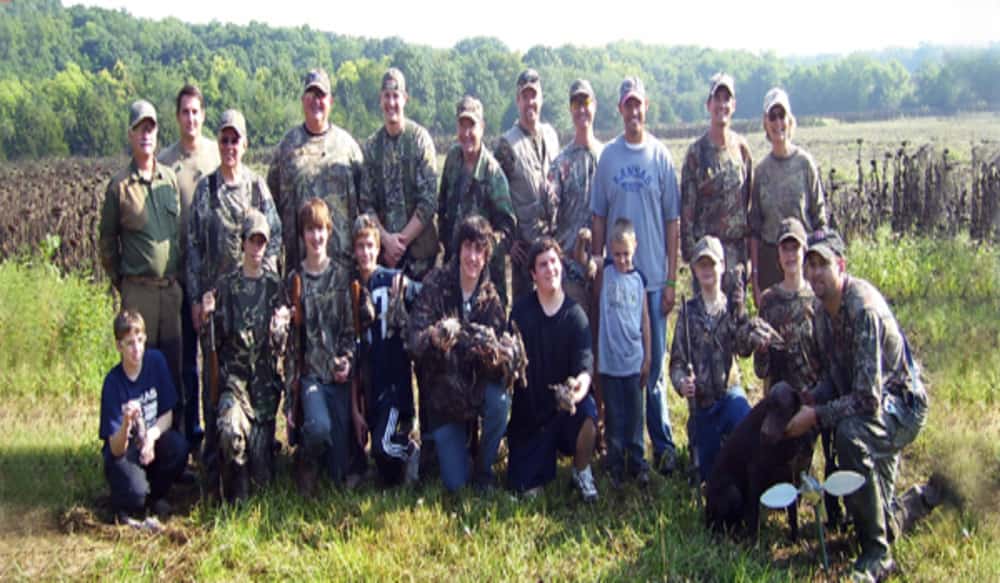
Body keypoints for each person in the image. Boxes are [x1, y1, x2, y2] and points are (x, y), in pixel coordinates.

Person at [785, 229, 934, 581]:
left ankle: (877, 557)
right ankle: (924, 498)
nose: (815, 273)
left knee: (850, 433)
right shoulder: (821, 314)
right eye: (811, 266)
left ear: (841, 265)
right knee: (880, 518)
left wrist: (817, 416)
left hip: (902, 406)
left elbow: (867, 400)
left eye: (823, 264)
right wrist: (811, 398)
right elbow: (835, 379)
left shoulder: (861, 308)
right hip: (872, 405)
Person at [186, 109, 282, 499]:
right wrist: (197, 300)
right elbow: (192, 248)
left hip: (256, 305)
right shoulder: (206, 191)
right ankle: (214, 477)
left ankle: (260, 456)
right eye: (223, 140)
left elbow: (273, 239)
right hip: (217, 310)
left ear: (244, 144)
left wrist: (266, 286)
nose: (229, 147)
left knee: (259, 455)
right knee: (216, 395)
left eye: (235, 140)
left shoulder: (258, 188)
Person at [590, 76, 680, 474]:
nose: (634, 111)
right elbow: (597, 216)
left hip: (653, 279)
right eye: (627, 104)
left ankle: (658, 445)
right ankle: (619, 445)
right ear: (620, 109)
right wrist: (597, 265)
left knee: (652, 368)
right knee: (616, 364)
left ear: (647, 106)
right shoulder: (608, 158)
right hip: (615, 279)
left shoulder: (660, 156)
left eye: (639, 104)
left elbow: (673, 222)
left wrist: (672, 279)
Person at [407, 216, 514, 493]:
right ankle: (452, 448)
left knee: (500, 401)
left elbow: (503, 369)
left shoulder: (492, 299)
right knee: (455, 484)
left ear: (487, 256)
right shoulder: (436, 283)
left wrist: (497, 356)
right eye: (468, 247)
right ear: (458, 249)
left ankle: (484, 470)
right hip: (443, 399)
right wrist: (434, 338)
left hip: (474, 392)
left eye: (480, 250)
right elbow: (412, 340)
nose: (473, 257)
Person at [98, 100, 184, 433]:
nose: (146, 135)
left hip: (169, 293)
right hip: (138, 293)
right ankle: (134, 444)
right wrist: (123, 282)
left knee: (171, 372)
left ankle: (174, 454)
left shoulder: (169, 181)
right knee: (140, 369)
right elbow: (107, 242)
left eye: (151, 128)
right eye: (140, 129)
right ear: (131, 135)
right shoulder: (119, 187)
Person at [200, 210, 286, 503]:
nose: (257, 248)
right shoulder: (226, 285)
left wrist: (282, 328)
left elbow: (284, 346)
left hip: (263, 389)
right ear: (243, 243)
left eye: (262, 241)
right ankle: (233, 490)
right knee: (230, 433)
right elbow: (212, 340)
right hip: (235, 385)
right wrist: (207, 316)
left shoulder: (276, 286)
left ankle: (258, 459)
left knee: (263, 476)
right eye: (252, 240)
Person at [508, 237, 598, 501]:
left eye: (554, 262)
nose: (550, 269)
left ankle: (581, 471)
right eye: (543, 265)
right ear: (533, 274)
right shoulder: (520, 313)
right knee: (528, 494)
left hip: (564, 411)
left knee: (589, 415)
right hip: (530, 417)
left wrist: (578, 389)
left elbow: (585, 366)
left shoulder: (575, 315)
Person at [159, 84, 221, 450]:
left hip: (214, 280)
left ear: (203, 115)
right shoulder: (166, 161)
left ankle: (213, 433)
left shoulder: (216, 154)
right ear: (178, 116)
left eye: (196, 111)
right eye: (185, 112)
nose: (191, 118)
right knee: (183, 363)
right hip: (179, 280)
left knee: (215, 357)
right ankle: (186, 432)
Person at [284, 198, 356, 495]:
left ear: (329, 231)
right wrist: (290, 400)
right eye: (310, 230)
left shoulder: (341, 277)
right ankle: (305, 460)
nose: (316, 237)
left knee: (341, 472)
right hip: (311, 379)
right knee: (318, 430)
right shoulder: (294, 280)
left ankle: (330, 456)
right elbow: (289, 348)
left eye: (321, 229)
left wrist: (347, 361)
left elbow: (351, 333)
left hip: (337, 381)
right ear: (302, 235)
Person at [669, 236, 755, 483]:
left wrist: (741, 315)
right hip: (702, 405)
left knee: (744, 420)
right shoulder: (687, 312)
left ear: (722, 266)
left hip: (729, 397)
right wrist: (681, 383)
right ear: (695, 270)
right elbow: (675, 362)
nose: (707, 270)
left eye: (712, 264)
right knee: (709, 474)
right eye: (701, 265)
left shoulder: (732, 307)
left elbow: (744, 349)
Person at [268, 68, 365, 272]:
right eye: (311, 95)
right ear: (303, 100)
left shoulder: (348, 148)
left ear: (330, 101)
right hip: (300, 270)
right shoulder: (286, 148)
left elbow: (365, 207)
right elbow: (271, 210)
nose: (316, 101)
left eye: (321, 95)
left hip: (343, 270)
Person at [350, 214, 422, 486]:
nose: (366, 252)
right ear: (354, 251)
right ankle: (390, 467)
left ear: (378, 248)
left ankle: (411, 451)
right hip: (370, 389)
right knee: (380, 465)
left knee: (382, 446)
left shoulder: (390, 279)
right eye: (360, 246)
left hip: (393, 389)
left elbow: (422, 292)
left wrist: (407, 287)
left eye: (370, 245)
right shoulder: (353, 290)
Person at [99, 310, 188, 523]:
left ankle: (156, 495)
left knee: (179, 448)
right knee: (135, 497)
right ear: (119, 346)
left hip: (149, 442)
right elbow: (115, 448)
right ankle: (132, 497)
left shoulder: (156, 362)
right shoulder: (113, 383)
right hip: (125, 451)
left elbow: (167, 414)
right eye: (129, 343)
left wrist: (151, 437)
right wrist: (126, 424)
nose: (136, 349)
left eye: (140, 341)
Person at [360, 67, 440, 282]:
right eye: (387, 96)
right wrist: (386, 241)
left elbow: (429, 201)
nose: (391, 103)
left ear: (405, 98)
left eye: (396, 96)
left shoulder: (420, 140)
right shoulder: (371, 147)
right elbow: (366, 204)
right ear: (380, 99)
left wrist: (401, 243)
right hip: (385, 259)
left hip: (421, 261)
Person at [749, 88, 827, 304]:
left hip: (803, 263)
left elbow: (820, 221)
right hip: (770, 264)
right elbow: (754, 229)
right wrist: (755, 279)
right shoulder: (761, 171)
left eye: (781, 115)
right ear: (765, 123)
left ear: (790, 120)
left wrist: (819, 271)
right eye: (772, 117)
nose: (777, 123)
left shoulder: (805, 164)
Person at [438, 95, 517, 307]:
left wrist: (480, 251)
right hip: (454, 270)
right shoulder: (452, 159)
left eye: (471, 126)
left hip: (486, 277)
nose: (466, 134)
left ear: (482, 127)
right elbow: (443, 206)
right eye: (461, 126)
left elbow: (508, 228)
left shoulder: (493, 174)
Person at [679, 72, 752, 286]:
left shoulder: (742, 150)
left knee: (736, 318)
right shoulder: (696, 154)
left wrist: (748, 263)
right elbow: (687, 217)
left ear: (734, 105)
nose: (722, 105)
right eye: (717, 99)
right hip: (707, 262)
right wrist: (695, 261)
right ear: (708, 105)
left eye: (726, 99)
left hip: (736, 261)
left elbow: (749, 209)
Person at [495, 68, 560, 301]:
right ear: (517, 101)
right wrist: (509, 244)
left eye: (534, 95)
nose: (530, 102)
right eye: (525, 96)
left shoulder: (551, 136)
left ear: (541, 98)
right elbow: (494, 200)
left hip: (552, 250)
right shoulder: (506, 145)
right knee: (527, 320)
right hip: (525, 256)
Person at [596, 219, 651, 487]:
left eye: (626, 254)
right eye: (616, 254)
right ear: (609, 250)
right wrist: (585, 241)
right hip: (610, 362)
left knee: (635, 415)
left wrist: (648, 356)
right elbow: (585, 260)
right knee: (615, 416)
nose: (621, 260)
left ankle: (637, 462)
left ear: (635, 248)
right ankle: (615, 463)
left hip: (633, 360)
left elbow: (645, 321)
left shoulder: (639, 280)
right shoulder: (605, 274)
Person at [548, 78, 603, 314]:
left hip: (603, 267)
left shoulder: (608, 157)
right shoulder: (561, 163)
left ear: (595, 105)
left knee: (601, 341)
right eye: (575, 104)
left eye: (586, 102)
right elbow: (547, 216)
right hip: (570, 272)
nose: (581, 109)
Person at [752, 218, 822, 395]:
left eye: (795, 248)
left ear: (804, 251)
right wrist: (762, 351)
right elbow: (760, 371)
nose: (790, 255)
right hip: (779, 396)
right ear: (778, 254)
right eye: (785, 249)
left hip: (814, 396)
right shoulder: (769, 300)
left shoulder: (817, 298)